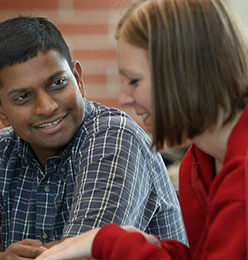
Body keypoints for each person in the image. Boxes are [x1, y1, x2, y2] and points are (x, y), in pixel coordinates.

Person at [0, 16, 187, 260]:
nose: (47, 107)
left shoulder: (114, 137)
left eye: (57, 83)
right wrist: (3, 259)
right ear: (0, 111)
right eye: (23, 97)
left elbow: (83, 256)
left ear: (79, 79)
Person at [36, 0, 248, 259]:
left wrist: (110, 241)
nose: (124, 98)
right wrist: (144, 245)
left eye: (134, 81)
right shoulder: (197, 165)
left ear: (185, 74)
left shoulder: (242, 178)